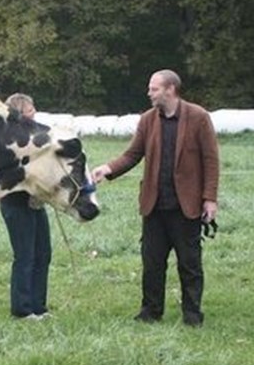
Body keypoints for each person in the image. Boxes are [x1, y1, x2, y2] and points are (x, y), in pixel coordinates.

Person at [92, 69, 219, 327]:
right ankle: (151, 312)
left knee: (189, 264)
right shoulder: (148, 120)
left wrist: (209, 198)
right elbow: (132, 154)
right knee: (152, 264)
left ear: (170, 90)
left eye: (154, 89)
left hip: (187, 207)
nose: (149, 93)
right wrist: (108, 169)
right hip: (154, 206)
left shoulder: (198, 117)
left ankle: (192, 315)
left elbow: (211, 160)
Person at [0, 93, 53, 321]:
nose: (35, 112)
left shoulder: (39, 133)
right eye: (31, 110)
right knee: (25, 255)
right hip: (16, 202)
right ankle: (22, 310)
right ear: (20, 113)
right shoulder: (8, 140)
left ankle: (38, 306)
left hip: (37, 202)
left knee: (43, 253)